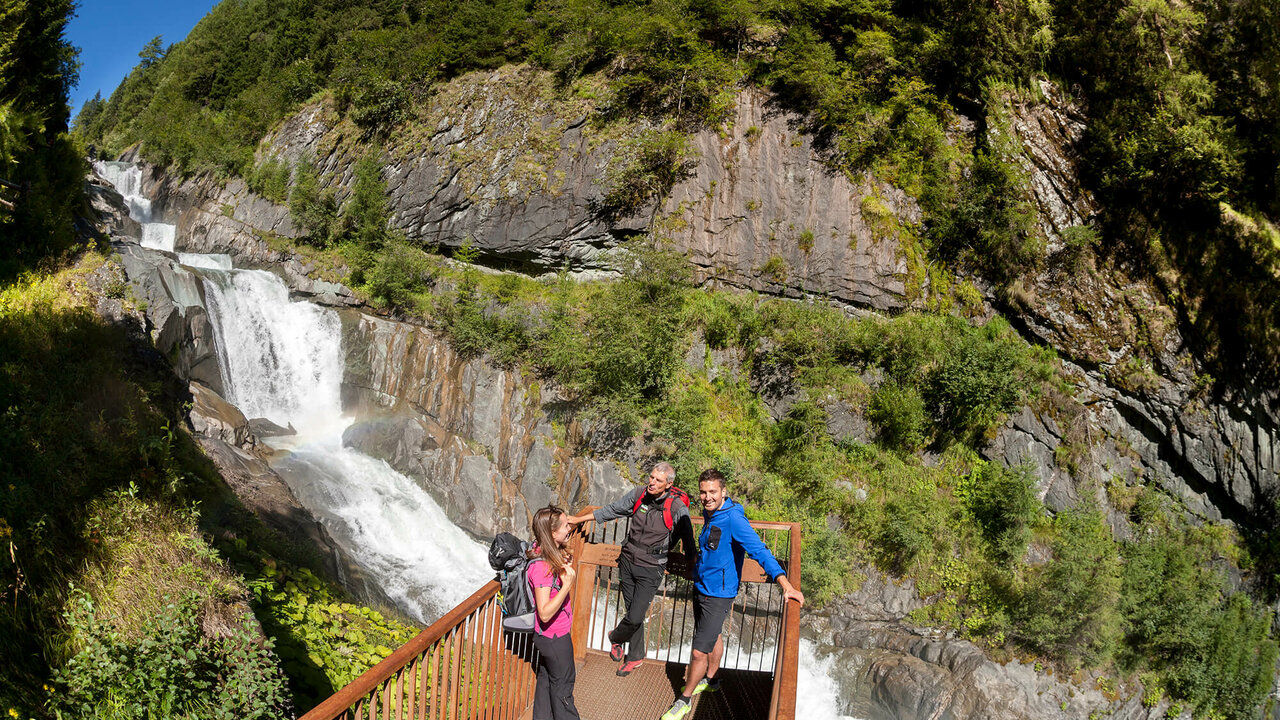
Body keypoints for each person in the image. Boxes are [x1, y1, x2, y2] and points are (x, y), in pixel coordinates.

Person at [661, 469, 804, 720]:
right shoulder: (710, 513)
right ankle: (713, 680)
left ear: (723, 492)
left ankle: (684, 700)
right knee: (712, 636)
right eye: (703, 492)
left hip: (719, 594)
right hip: (702, 586)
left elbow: (760, 551)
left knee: (698, 651)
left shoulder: (734, 520)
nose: (707, 497)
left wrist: (786, 584)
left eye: (712, 492)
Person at [566, 462, 695, 677]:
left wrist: (692, 566)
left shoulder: (676, 508)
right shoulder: (638, 495)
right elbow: (613, 510)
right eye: (651, 477)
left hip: (652, 567)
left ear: (669, 484)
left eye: (658, 480)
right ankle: (635, 657)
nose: (652, 482)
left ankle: (615, 637)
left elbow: (689, 540)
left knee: (635, 616)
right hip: (627, 561)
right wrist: (579, 519)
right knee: (632, 611)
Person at [528, 505, 581, 720]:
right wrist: (567, 584)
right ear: (552, 533)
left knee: (546, 680)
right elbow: (545, 613)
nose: (570, 528)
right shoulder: (541, 567)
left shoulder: (540, 550)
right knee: (563, 690)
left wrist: (560, 563)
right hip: (554, 637)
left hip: (547, 638)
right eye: (566, 525)